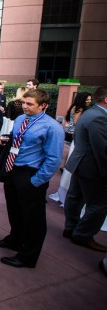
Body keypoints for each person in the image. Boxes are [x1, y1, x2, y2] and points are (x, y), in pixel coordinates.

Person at [0, 89, 64, 268]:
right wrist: (6, 140)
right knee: (14, 209)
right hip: (12, 169)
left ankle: (27, 257)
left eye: (30, 104)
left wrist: (36, 181)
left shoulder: (52, 127)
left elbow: (53, 159)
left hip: (31, 174)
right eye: (24, 103)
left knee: (33, 218)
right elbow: (19, 140)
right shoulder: (21, 119)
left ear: (43, 106)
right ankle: (14, 239)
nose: (24, 106)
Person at [63, 87, 107, 252]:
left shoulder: (91, 113)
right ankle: (82, 235)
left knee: (75, 198)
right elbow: (102, 149)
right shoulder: (99, 117)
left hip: (81, 163)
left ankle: (71, 227)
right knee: (99, 205)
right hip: (92, 167)